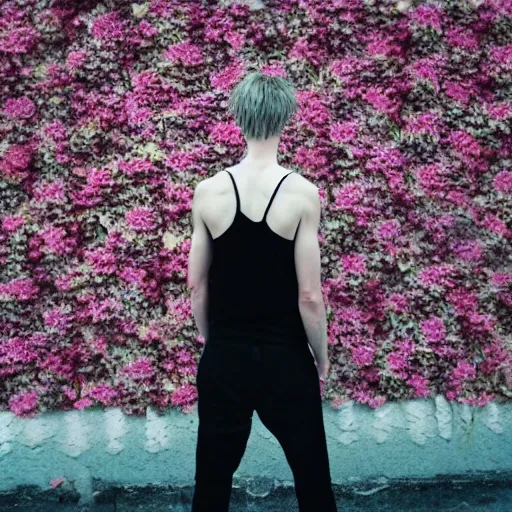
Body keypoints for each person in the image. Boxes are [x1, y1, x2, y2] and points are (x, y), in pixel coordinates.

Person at [186, 70, 337, 512]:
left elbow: (196, 285)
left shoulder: (208, 192)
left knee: (211, 484)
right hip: (285, 359)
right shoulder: (303, 194)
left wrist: (210, 340)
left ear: (239, 118)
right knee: (313, 481)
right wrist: (322, 358)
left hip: (226, 357)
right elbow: (309, 295)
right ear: (285, 119)